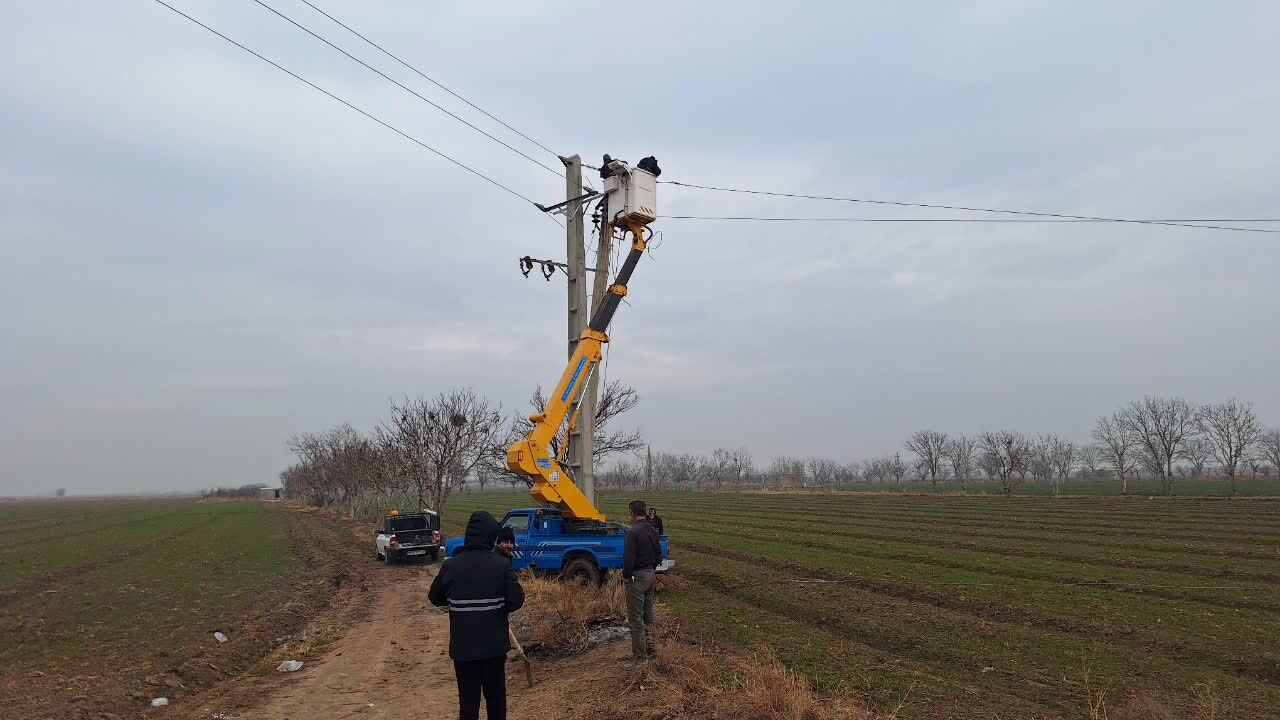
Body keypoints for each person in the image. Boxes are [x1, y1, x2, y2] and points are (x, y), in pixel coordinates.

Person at [429, 511, 524, 720]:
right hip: (494, 649)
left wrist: (456, 601)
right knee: (496, 702)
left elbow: (435, 597)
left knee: (468, 705)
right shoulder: (502, 565)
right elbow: (516, 600)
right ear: (492, 536)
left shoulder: (451, 565)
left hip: (463, 650)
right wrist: (499, 607)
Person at [622, 499, 661, 666]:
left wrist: (626, 576)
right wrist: (651, 568)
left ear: (633, 514)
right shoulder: (652, 530)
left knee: (636, 619)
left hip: (637, 579)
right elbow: (659, 554)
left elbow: (629, 559)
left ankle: (639, 658)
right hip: (651, 575)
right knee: (649, 616)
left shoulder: (632, 533)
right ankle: (653, 652)